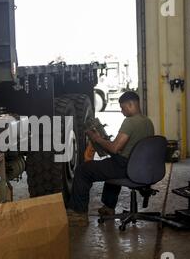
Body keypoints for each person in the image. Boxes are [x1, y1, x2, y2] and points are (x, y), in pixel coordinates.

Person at [66, 91, 155, 226]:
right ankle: (108, 207)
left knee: (83, 170)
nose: (121, 111)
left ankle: (78, 214)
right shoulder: (148, 122)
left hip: (125, 166)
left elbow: (114, 148)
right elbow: (128, 146)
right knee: (109, 165)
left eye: (123, 107)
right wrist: (107, 142)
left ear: (131, 104)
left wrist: (97, 139)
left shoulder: (129, 122)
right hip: (141, 166)